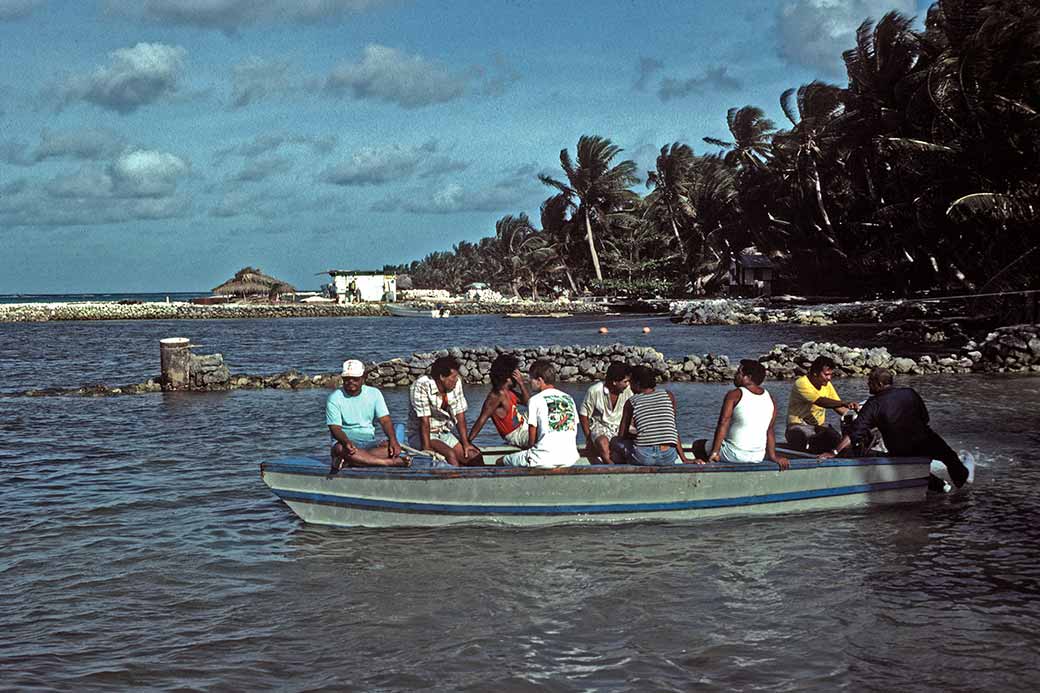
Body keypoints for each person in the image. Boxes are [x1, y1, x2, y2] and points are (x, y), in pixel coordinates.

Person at [818, 367, 970, 489]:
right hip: (926, 439)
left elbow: (854, 433)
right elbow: (925, 418)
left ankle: (939, 487)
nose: (868, 385)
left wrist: (834, 452)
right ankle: (963, 493)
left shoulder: (873, 404)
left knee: (909, 469)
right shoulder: (910, 393)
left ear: (880, 384)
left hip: (901, 449)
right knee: (950, 458)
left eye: (870, 382)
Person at [694, 359, 789, 470]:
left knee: (698, 445)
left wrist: (715, 452)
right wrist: (773, 456)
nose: (735, 375)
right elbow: (770, 430)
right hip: (758, 456)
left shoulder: (735, 394)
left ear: (747, 377)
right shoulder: (770, 398)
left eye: (738, 372)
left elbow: (723, 423)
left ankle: (708, 476)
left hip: (735, 454)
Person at [326, 359, 406, 471]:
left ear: (363, 378)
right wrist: (346, 442)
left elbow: (385, 421)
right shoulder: (334, 398)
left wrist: (393, 441)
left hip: (369, 442)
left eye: (355, 379)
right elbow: (335, 428)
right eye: (347, 379)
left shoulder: (375, 393)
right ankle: (386, 462)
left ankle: (354, 460)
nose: (351, 382)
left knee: (391, 447)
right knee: (340, 449)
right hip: (345, 443)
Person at [500, 360, 580, 468]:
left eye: (531, 378)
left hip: (542, 458)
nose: (529, 381)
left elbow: (532, 439)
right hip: (570, 457)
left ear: (539, 380)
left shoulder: (535, 400)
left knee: (500, 462)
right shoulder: (568, 398)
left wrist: (529, 451)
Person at [407, 356, 482, 466]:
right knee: (450, 455)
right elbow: (424, 421)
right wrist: (427, 449)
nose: (456, 379)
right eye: (453, 377)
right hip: (422, 435)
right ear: (442, 377)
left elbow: (460, 414)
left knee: (474, 456)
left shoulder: (456, 383)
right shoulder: (421, 385)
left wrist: (466, 443)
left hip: (444, 432)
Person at [611, 366, 690, 465]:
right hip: (668, 456)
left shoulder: (631, 401)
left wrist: (635, 436)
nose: (629, 386)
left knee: (614, 442)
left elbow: (622, 435)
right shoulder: (668, 395)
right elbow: (673, 430)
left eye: (631, 383)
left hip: (644, 457)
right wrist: (684, 459)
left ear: (638, 383)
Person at [785, 356, 860, 453]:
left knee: (837, 439)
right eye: (826, 375)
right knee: (811, 436)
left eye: (831, 375)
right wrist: (845, 403)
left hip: (818, 427)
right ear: (815, 373)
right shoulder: (802, 383)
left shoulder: (826, 384)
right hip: (797, 426)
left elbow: (838, 407)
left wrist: (858, 417)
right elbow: (820, 401)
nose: (829, 378)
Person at [469, 353, 531, 448]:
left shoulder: (509, 392)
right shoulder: (496, 395)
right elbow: (482, 419)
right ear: (508, 378)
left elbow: (528, 403)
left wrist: (521, 384)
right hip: (515, 434)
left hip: (523, 425)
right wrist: (467, 443)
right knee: (541, 435)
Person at [579, 361, 633, 464]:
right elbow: (584, 414)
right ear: (614, 382)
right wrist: (588, 439)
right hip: (601, 427)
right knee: (602, 442)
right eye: (625, 381)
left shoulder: (628, 391)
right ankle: (612, 467)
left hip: (620, 427)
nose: (628, 384)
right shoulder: (595, 391)